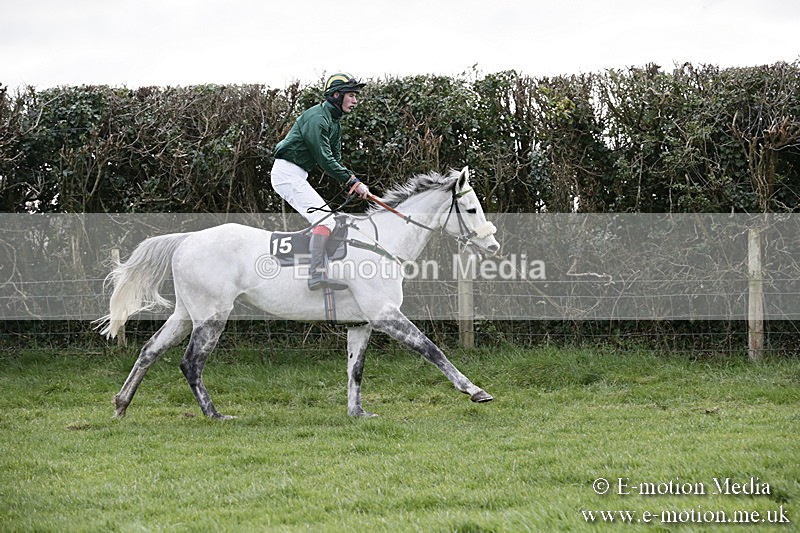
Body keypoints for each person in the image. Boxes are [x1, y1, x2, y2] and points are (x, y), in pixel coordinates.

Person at [271, 73, 370, 291]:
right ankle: (316, 275)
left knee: (328, 220)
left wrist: (351, 183)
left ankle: (320, 269)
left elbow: (336, 160)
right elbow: (325, 160)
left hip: (296, 175)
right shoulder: (317, 118)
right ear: (336, 95)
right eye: (351, 95)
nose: (355, 101)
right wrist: (353, 180)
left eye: (356, 96)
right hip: (286, 175)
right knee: (325, 221)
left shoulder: (334, 123)